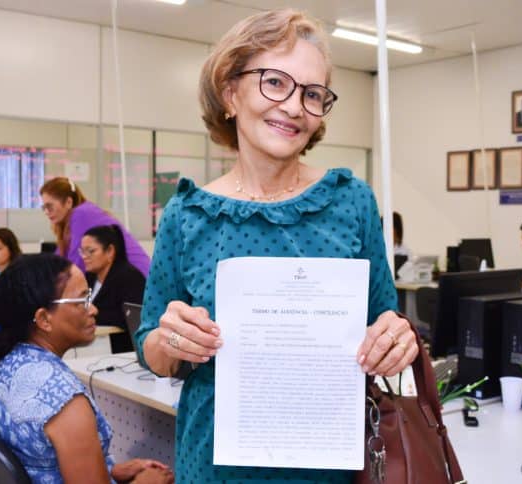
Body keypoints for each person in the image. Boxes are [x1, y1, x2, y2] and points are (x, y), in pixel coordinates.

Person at [135, 9, 418, 482]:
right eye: (274, 82)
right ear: (230, 93)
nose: (293, 106)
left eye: (312, 94)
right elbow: (150, 347)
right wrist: (170, 339)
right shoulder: (186, 216)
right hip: (214, 465)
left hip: (326, 463)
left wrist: (397, 338)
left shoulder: (351, 202)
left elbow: (384, 319)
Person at [0, 254, 173, 484]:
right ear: (43, 319)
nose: (94, 309)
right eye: (82, 300)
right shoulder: (64, 402)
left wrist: (110, 470)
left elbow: (36, 461)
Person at [39, 177, 151, 276]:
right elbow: (59, 259)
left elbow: (77, 262)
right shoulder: (72, 220)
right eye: (44, 207)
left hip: (137, 277)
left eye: (50, 206)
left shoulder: (81, 214)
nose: (47, 212)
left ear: (68, 202)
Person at [80, 224, 145, 353]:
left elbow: (132, 317)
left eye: (91, 251)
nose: (84, 256)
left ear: (110, 251)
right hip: (93, 348)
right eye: (82, 251)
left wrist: (95, 313)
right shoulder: (88, 278)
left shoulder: (130, 277)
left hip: (123, 351)